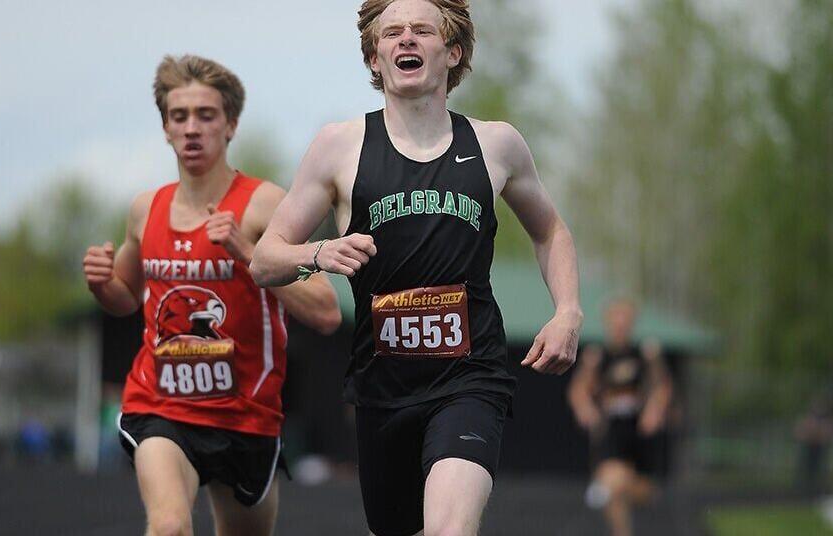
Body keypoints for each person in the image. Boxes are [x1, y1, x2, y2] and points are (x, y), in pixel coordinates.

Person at [249, 1, 583, 534]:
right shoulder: (339, 147)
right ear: (375, 57)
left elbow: (551, 231)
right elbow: (264, 260)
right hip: (383, 389)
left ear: (452, 52)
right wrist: (316, 253)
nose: (406, 40)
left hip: (470, 377)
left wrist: (567, 310)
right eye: (393, 33)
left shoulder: (496, 144)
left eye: (422, 30)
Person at [82, 54, 341, 536]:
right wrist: (101, 283)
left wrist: (248, 253)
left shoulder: (263, 204)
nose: (192, 128)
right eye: (179, 117)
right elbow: (124, 296)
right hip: (161, 406)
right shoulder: (146, 209)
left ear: (231, 125)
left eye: (206, 115)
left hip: (246, 417)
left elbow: (326, 311)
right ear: (165, 128)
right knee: (169, 527)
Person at [568, 298, 672, 536]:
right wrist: (587, 412)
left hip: (639, 433)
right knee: (613, 486)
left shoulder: (643, 356)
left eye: (625, 321)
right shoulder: (599, 357)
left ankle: (606, 488)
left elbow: (662, 388)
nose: (620, 326)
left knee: (634, 490)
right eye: (616, 320)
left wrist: (654, 410)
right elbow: (579, 390)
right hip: (612, 432)